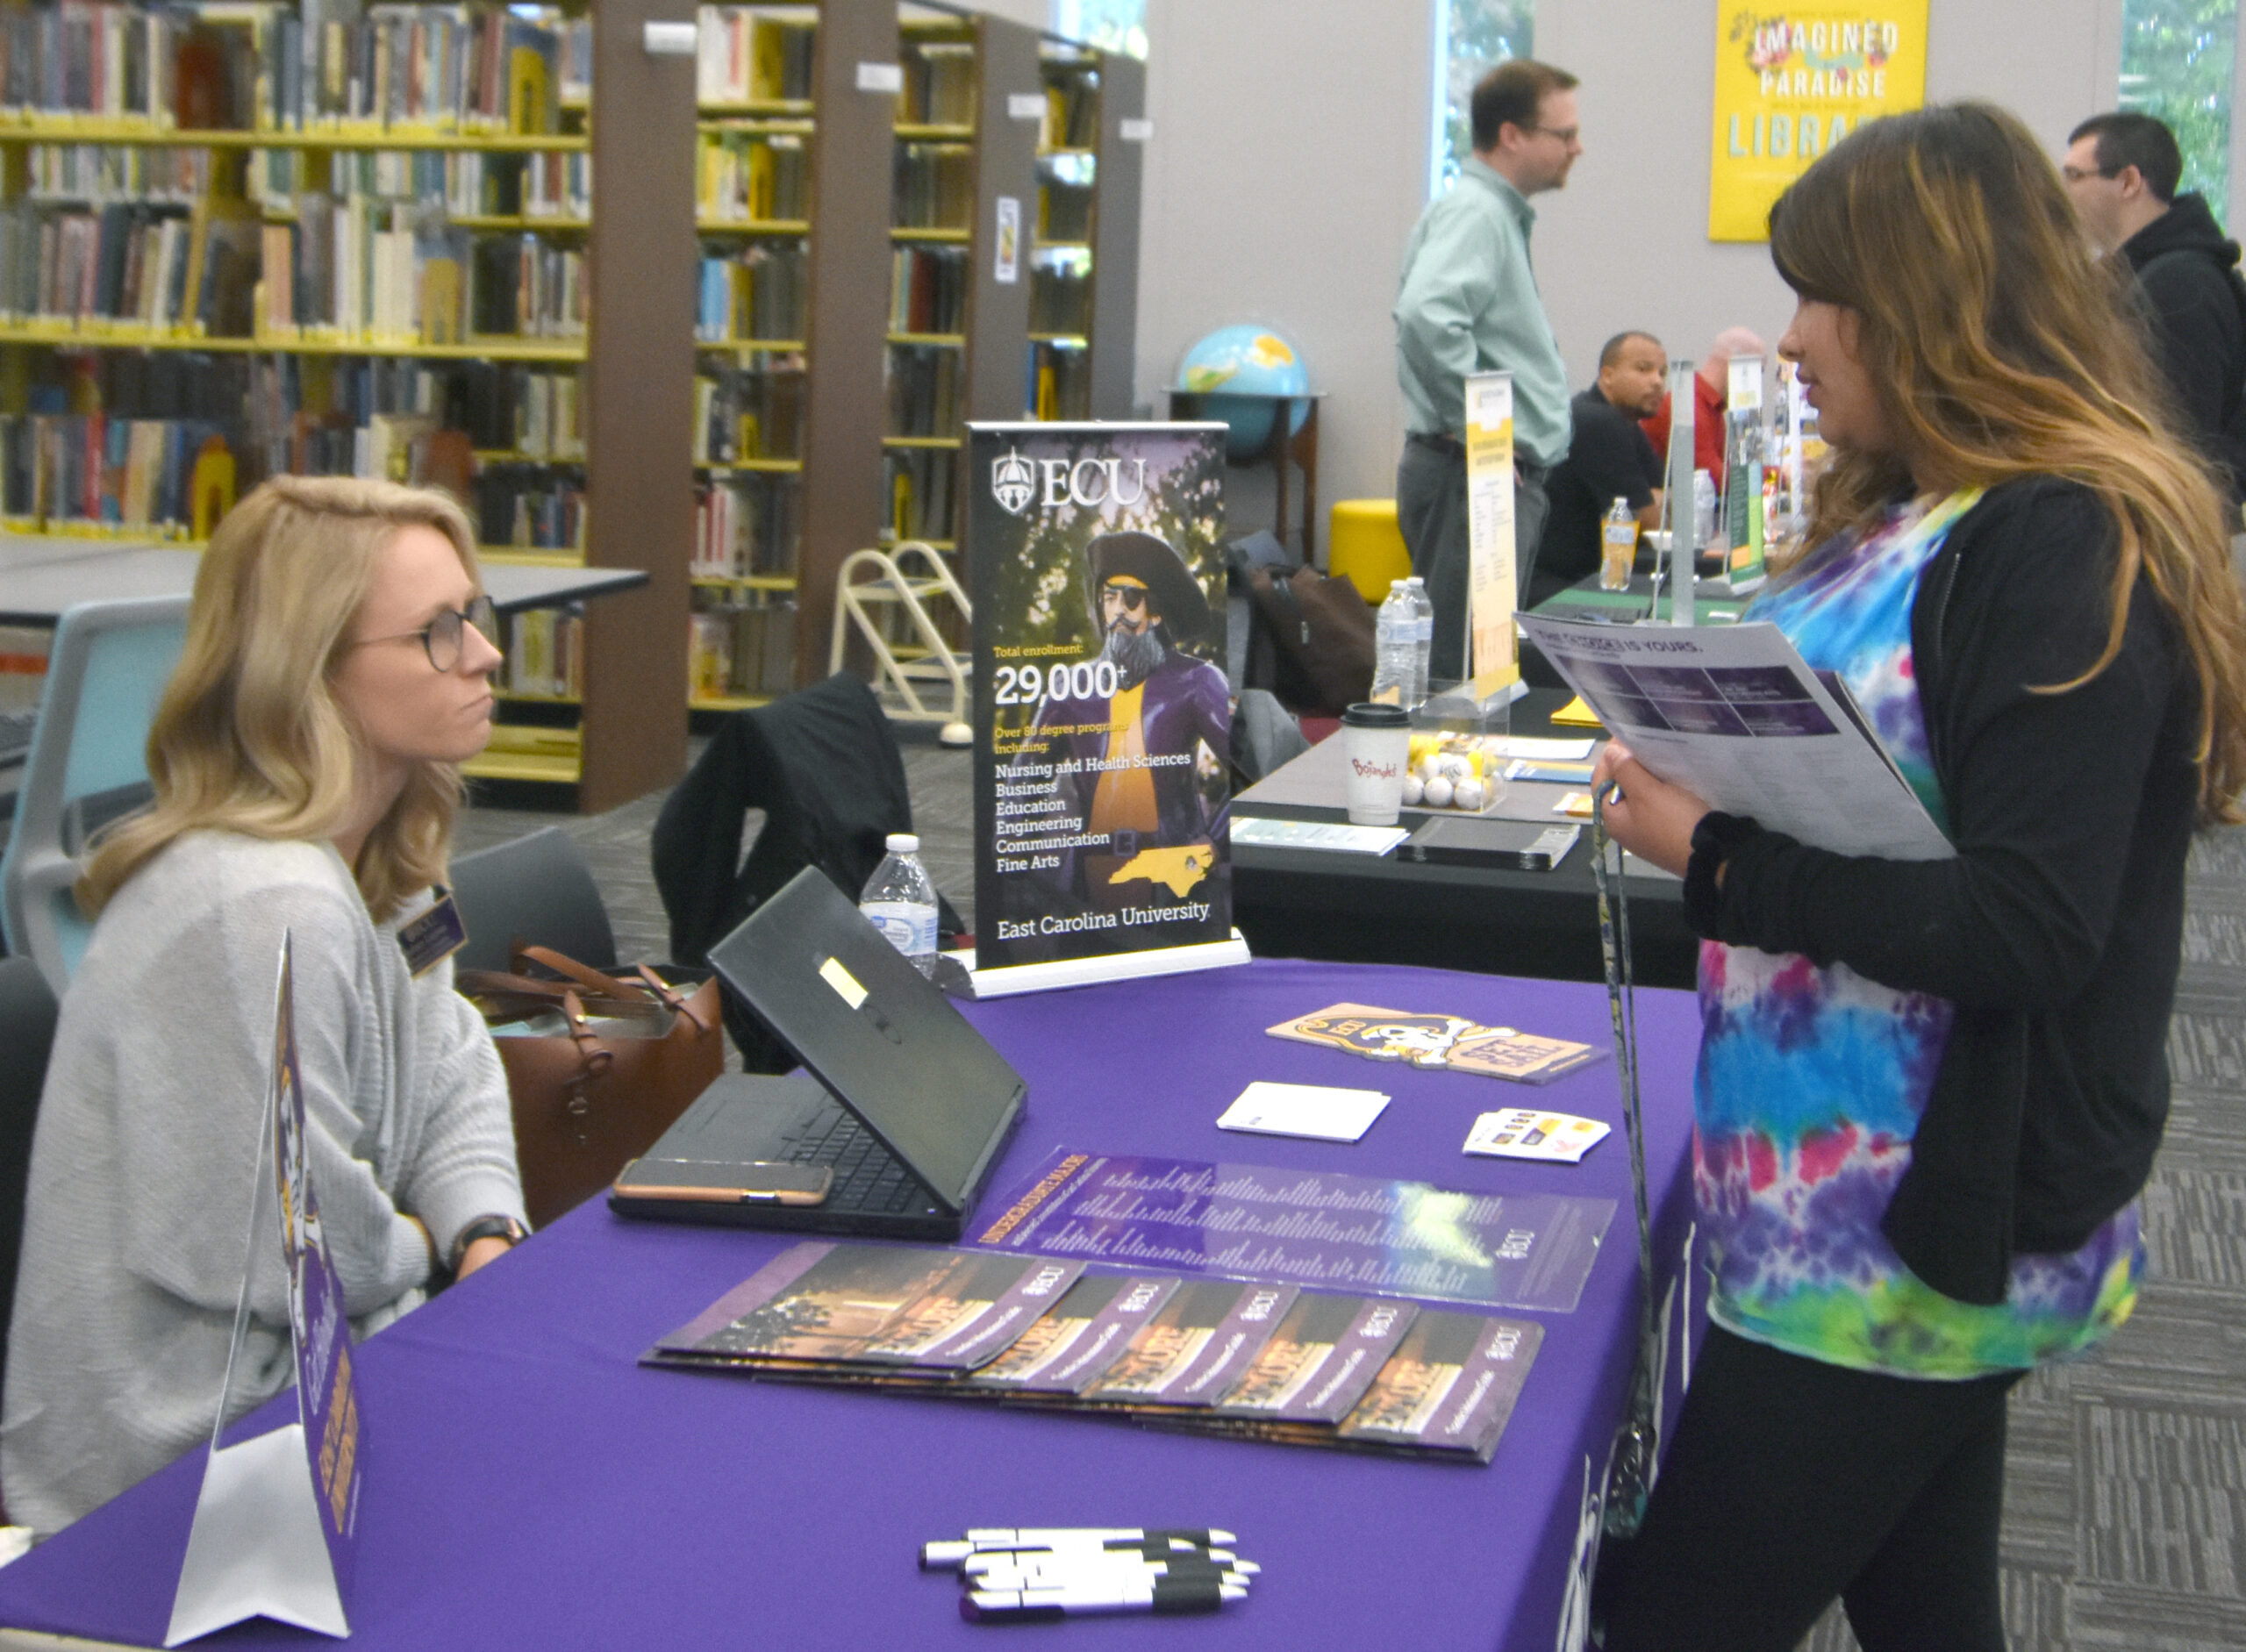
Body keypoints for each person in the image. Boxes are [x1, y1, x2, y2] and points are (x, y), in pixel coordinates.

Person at [1591, 104, 2246, 1652]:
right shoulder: (1920, 502)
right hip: (1827, 1187)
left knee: (1670, 1618)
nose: (1798, 336)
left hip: (1909, 1230)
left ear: (1931, 300)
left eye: (1828, 297)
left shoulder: (2063, 536)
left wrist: (1721, 854)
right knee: (1928, 1609)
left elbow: (2029, 923)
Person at [2, 476, 530, 1537]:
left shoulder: (384, 854)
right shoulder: (259, 905)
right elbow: (302, 1258)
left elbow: (451, 1056)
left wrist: (484, 1227)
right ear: (312, 670)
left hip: (324, 1391)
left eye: (475, 616)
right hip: (180, 1484)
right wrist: (431, 1245)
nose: (485, 654)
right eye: (438, 631)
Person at [1393, 58, 1581, 681]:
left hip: (1479, 474)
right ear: (1512, 135)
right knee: (1461, 676)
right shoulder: (1477, 213)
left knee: (1484, 670)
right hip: (1471, 473)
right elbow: (1427, 316)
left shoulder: (1494, 215)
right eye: (1564, 134)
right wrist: (1482, 434)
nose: (1577, 148)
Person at [1036, 531, 1230, 909]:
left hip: (1171, 876)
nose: (1118, 610)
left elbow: (1250, 771)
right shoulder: (1071, 688)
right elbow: (1023, 779)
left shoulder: (1197, 682)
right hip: (1086, 881)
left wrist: (1210, 847)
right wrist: (1006, 866)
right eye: (1110, 597)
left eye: (1132, 598)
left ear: (1155, 611)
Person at [2063, 111, 2246, 501]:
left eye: (2076, 176)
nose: (2064, 192)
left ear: (2128, 181)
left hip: (2174, 527)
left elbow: (2179, 445)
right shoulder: (2131, 278)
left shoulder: (2179, 286)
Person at [1530, 329, 1667, 606]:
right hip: (1560, 588)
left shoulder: (1623, 421)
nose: (1656, 382)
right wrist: (1656, 504)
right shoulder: (1598, 422)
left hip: (1587, 578)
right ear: (1608, 374)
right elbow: (1654, 524)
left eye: (1662, 373)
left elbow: (1662, 496)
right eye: (1643, 369)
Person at [1640, 325, 1765, 482]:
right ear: (1736, 362)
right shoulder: (1689, 406)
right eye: (1758, 371)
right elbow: (1716, 479)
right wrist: (1782, 474)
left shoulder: (1708, 406)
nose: (1758, 382)